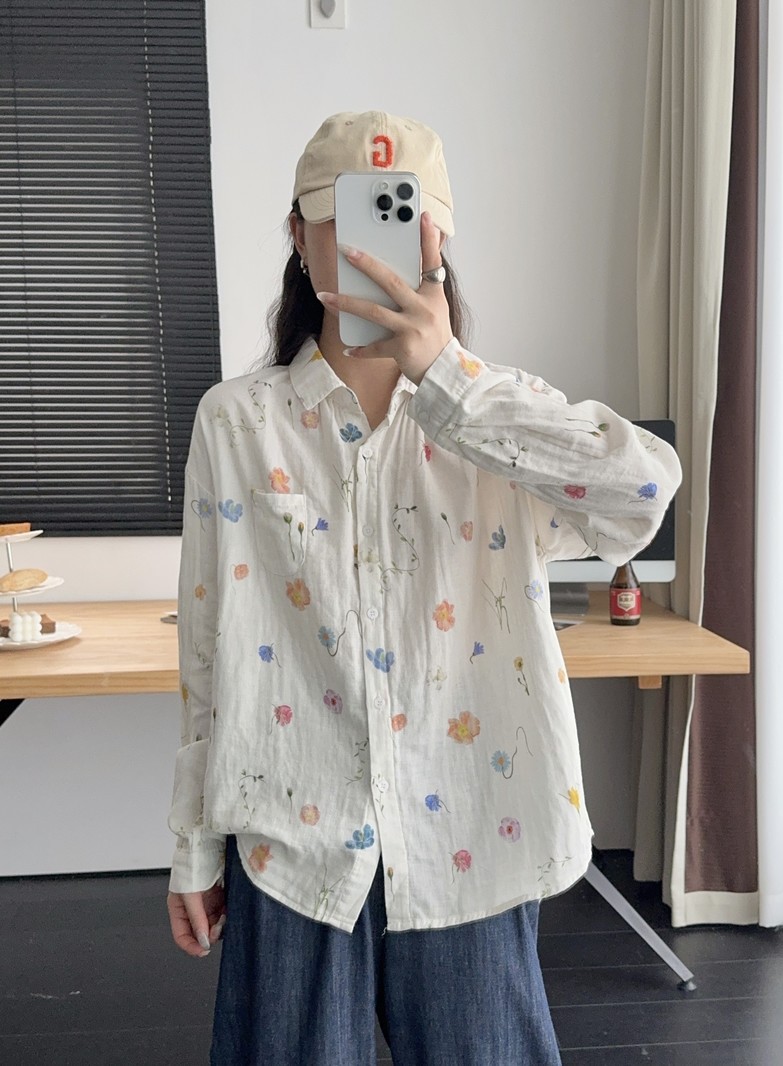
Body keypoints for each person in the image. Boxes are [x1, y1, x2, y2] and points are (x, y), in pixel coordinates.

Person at [166, 110, 682, 1065]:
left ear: (438, 238)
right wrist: (195, 844)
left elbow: (643, 495)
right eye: (343, 218)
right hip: (290, 835)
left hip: (474, 832)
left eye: (400, 218)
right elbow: (206, 647)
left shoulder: (500, 417)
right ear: (298, 235)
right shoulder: (236, 422)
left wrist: (455, 384)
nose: (371, 248)